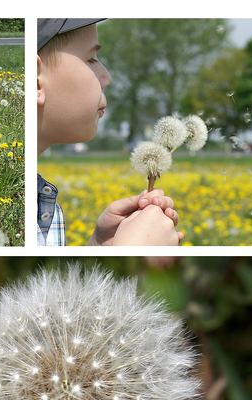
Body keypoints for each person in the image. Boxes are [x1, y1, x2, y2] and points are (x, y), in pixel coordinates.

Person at [37, 18, 182, 246]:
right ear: (37, 82)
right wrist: (132, 248)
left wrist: (100, 245)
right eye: (91, 59)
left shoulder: (41, 204)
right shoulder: (22, 206)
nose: (106, 77)